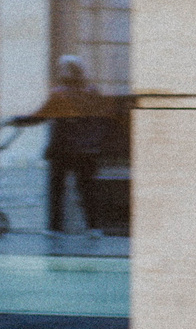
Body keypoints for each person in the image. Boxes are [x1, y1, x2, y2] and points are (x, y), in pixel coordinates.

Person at [15, 57, 119, 235]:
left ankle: (55, 227)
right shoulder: (92, 92)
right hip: (87, 151)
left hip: (62, 149)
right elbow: (105, 118)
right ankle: (93, 227)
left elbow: (40, 115)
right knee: (87, 189)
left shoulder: (59, 93)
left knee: (57, 189)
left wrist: (18, 120)